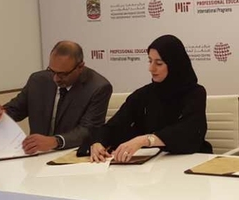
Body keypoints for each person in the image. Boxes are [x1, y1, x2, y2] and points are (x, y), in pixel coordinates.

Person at [77, 34, 210, 162]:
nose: (151, 68)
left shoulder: (195, 93)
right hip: (151, 170)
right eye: (150, 61)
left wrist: (146, 140)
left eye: (159, 63)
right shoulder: (143, 94)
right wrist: (98, 143)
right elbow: (114, 125)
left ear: (175, 64)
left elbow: (189, 132)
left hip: (187, 163)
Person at [0, 41, 112, 154]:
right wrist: (0, 114)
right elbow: (16, 110)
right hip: (34, 155)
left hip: (71, 156)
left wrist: (55, 141)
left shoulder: (98, 87)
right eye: (52, 71)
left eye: (62, 74)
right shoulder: (38, 80)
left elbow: (89, 130)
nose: (55, 78)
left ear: (80, 67)